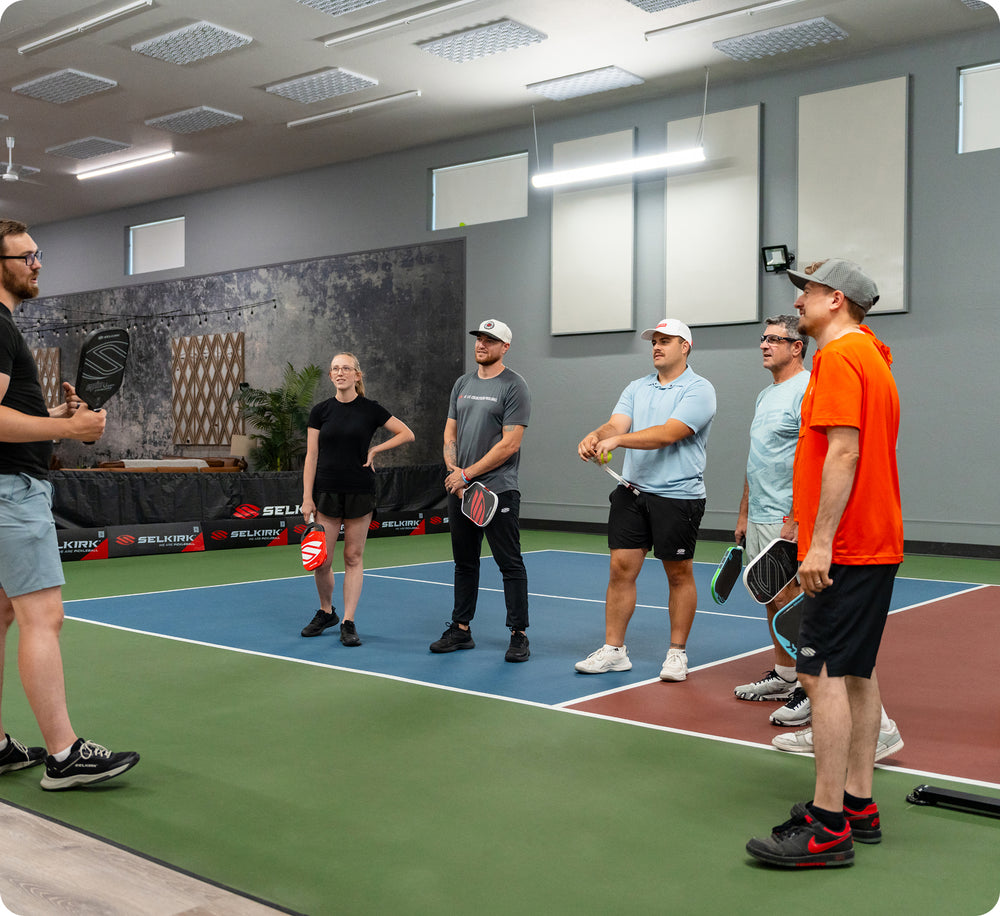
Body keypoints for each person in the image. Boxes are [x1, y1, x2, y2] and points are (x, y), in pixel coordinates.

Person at [746, 258, 904, 868]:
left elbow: (843, 451)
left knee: (821, 676)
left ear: (835, 299)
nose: (800, 302)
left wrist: (818, 543)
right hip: (874, 540)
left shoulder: (838, 358)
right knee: (857, 672)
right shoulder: (874, 356)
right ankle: (859, 803)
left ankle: (827, 823)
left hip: (845, 547)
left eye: (806, 292)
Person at [0, 218, 139, 790]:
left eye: (38, 254)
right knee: (42, 617)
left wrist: (56, 421)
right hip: (11, 492)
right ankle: (64, 755)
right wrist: (77, 431)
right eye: (25, 256)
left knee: (3, 615)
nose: (37, 263)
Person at [733, 317, 903, 757]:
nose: (764, 345)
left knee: (807, 617)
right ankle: (787, 675)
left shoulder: (814, 383)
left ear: (797, 348)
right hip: (763, 516)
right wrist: (746, 511)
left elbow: (822, 455)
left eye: (775, 339)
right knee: (777, 605)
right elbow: (762, 458)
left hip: (794, 520)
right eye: (763, 338)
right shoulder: (765, 394)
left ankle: (820, 701)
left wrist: (797, 518)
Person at [575, 318, 716, 681]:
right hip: (631, 492)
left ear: (685, 347)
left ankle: (677, 653)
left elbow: (669, 434)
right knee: (620, 569)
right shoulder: (637, 387)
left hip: (678, 496)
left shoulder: (699, 390)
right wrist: (597, 435)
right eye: (655, 340)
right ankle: (614, 650)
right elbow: (616, 425)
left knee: (679, 575)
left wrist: (617, 441)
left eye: (666, 340)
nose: (657, 345)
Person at [431, 319, 531, 663]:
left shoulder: (514, 386)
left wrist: (467, 475)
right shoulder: (462, 383)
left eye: (490, 340)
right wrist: (455, 474)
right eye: (478, 339)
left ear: (505, 347)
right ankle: (461, 629)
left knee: (510, 563)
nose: (481, 345)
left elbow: (510, 444)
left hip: (498, 490)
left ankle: (519, 635)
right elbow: (449, 434)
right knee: (464, 563)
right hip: (460, 489)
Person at [300, 353, 414, 646]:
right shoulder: (320, 411)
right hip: (326, 492)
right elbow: (311, 456)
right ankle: (327, 612)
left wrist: (375, 451)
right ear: (331, 375)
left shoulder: (370, 409)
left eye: (346, 368)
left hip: (360, 491)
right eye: (335, 368)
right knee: (321, 560)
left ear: (357, 375)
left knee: (353, 557)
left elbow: (406, 434)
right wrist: (307, 498)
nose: (340, 373)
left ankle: (348, 621)